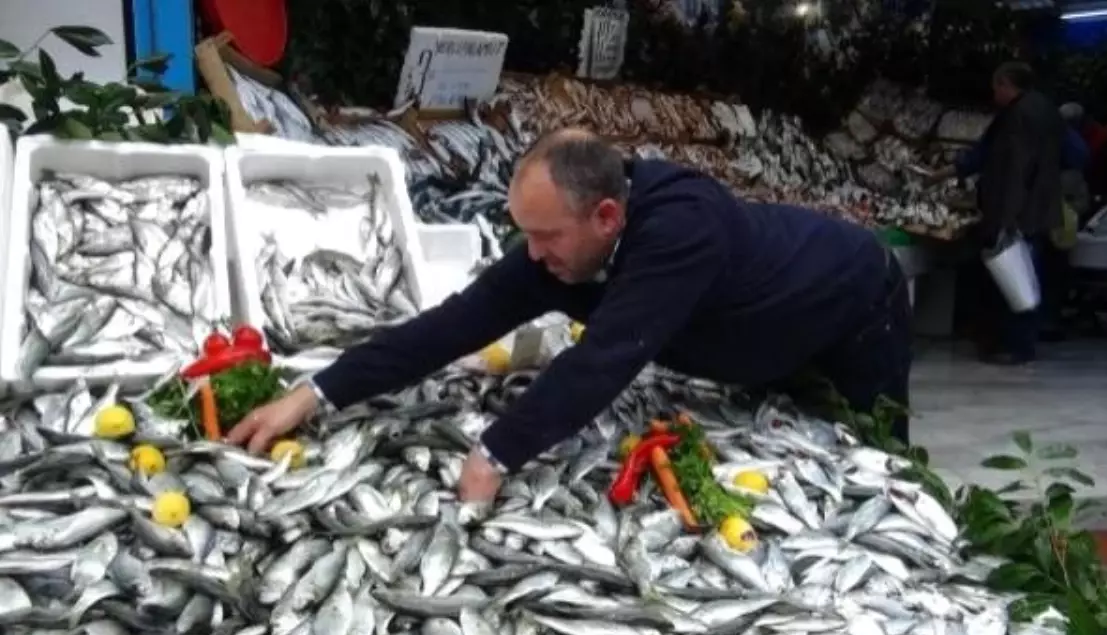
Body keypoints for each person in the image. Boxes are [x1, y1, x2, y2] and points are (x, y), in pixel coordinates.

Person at [226, 128, 913, 504]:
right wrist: (313, 393)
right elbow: (455, 323)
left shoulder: (681, 230)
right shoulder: (565, 251)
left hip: (851, 309)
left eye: (546, 236)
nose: (534, 254)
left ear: (606, 216)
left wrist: (495, 453)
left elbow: (606, 358)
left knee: (880, 462)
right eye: (525, 233)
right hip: (761, 337)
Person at [929, 62, 1064, 365]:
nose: (993, 94)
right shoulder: (1045, 110)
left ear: (1006, 84)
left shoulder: (1017, 118)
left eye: (995, 87)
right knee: (1026, 276)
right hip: (1037, 209)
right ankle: (1016, 340)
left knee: (1014, 277)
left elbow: (1012, 170)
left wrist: (1007, 218)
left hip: (1018, 212)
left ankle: (1017, 345)